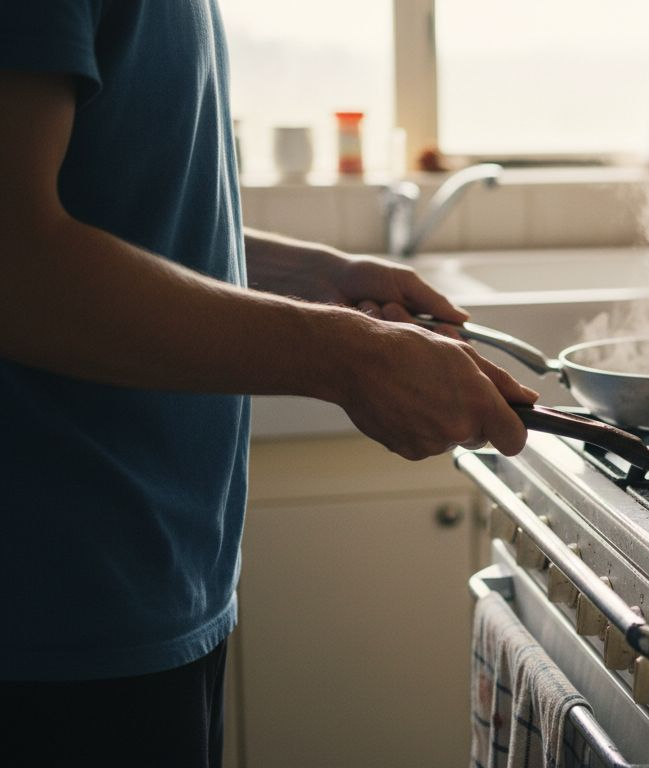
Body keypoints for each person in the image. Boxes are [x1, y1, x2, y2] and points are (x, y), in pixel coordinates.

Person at [0, 3, 537, 765]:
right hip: (55, 617)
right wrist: (350, 357)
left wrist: (309, 275)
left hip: (162, 585)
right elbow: (15, 261)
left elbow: (122, 202)